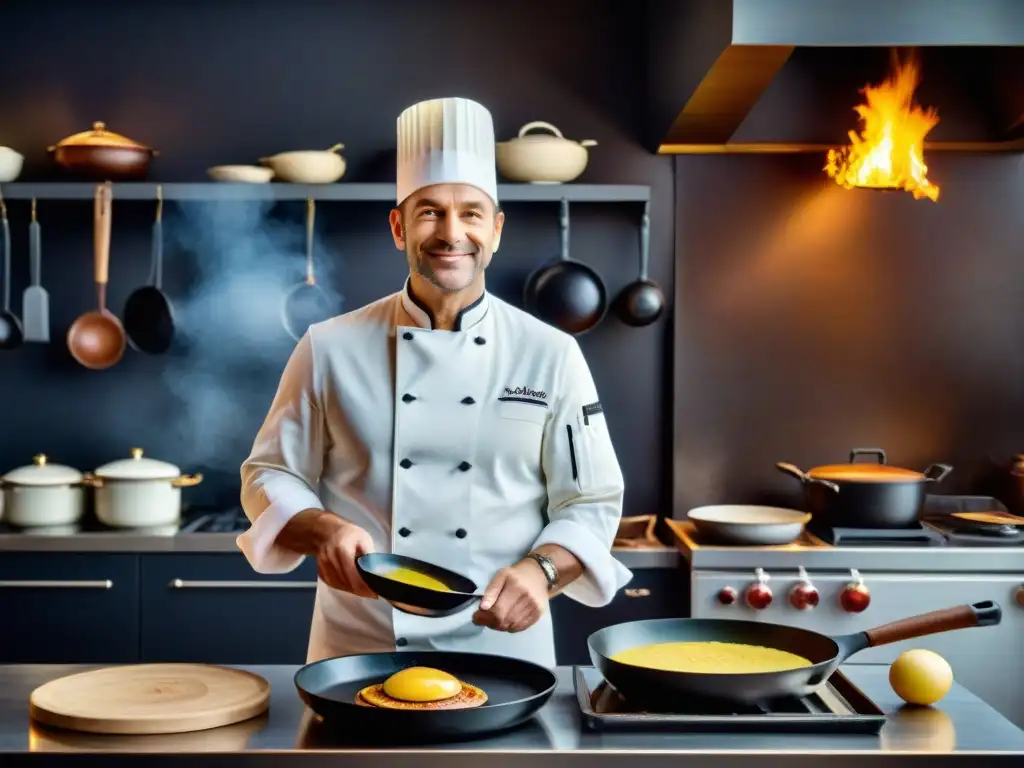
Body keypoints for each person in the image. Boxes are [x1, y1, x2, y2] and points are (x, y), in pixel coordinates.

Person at [237, 96, 631, 667]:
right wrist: (321, 529)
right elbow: (269, 474)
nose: (452, 233)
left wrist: (542, 569)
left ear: (495, 230)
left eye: (471, 213)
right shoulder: (327, 346)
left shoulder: (551, 353)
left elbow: (591, 501)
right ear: (399, 227)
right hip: (360, 646)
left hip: (505, 649)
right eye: (429, 212)